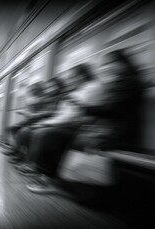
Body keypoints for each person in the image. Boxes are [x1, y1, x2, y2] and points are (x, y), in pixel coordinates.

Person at [25, 52, 144, 194]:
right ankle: (57, 180)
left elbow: (112, 109)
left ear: (121, 64)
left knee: (56, 136)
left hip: (118, 132)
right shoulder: (119, 83)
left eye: (109, 63)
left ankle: (62, 182)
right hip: (112, 128)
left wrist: (82, 107)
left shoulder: (126, 84)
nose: (105, 68)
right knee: (58, 136)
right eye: (105, 65)